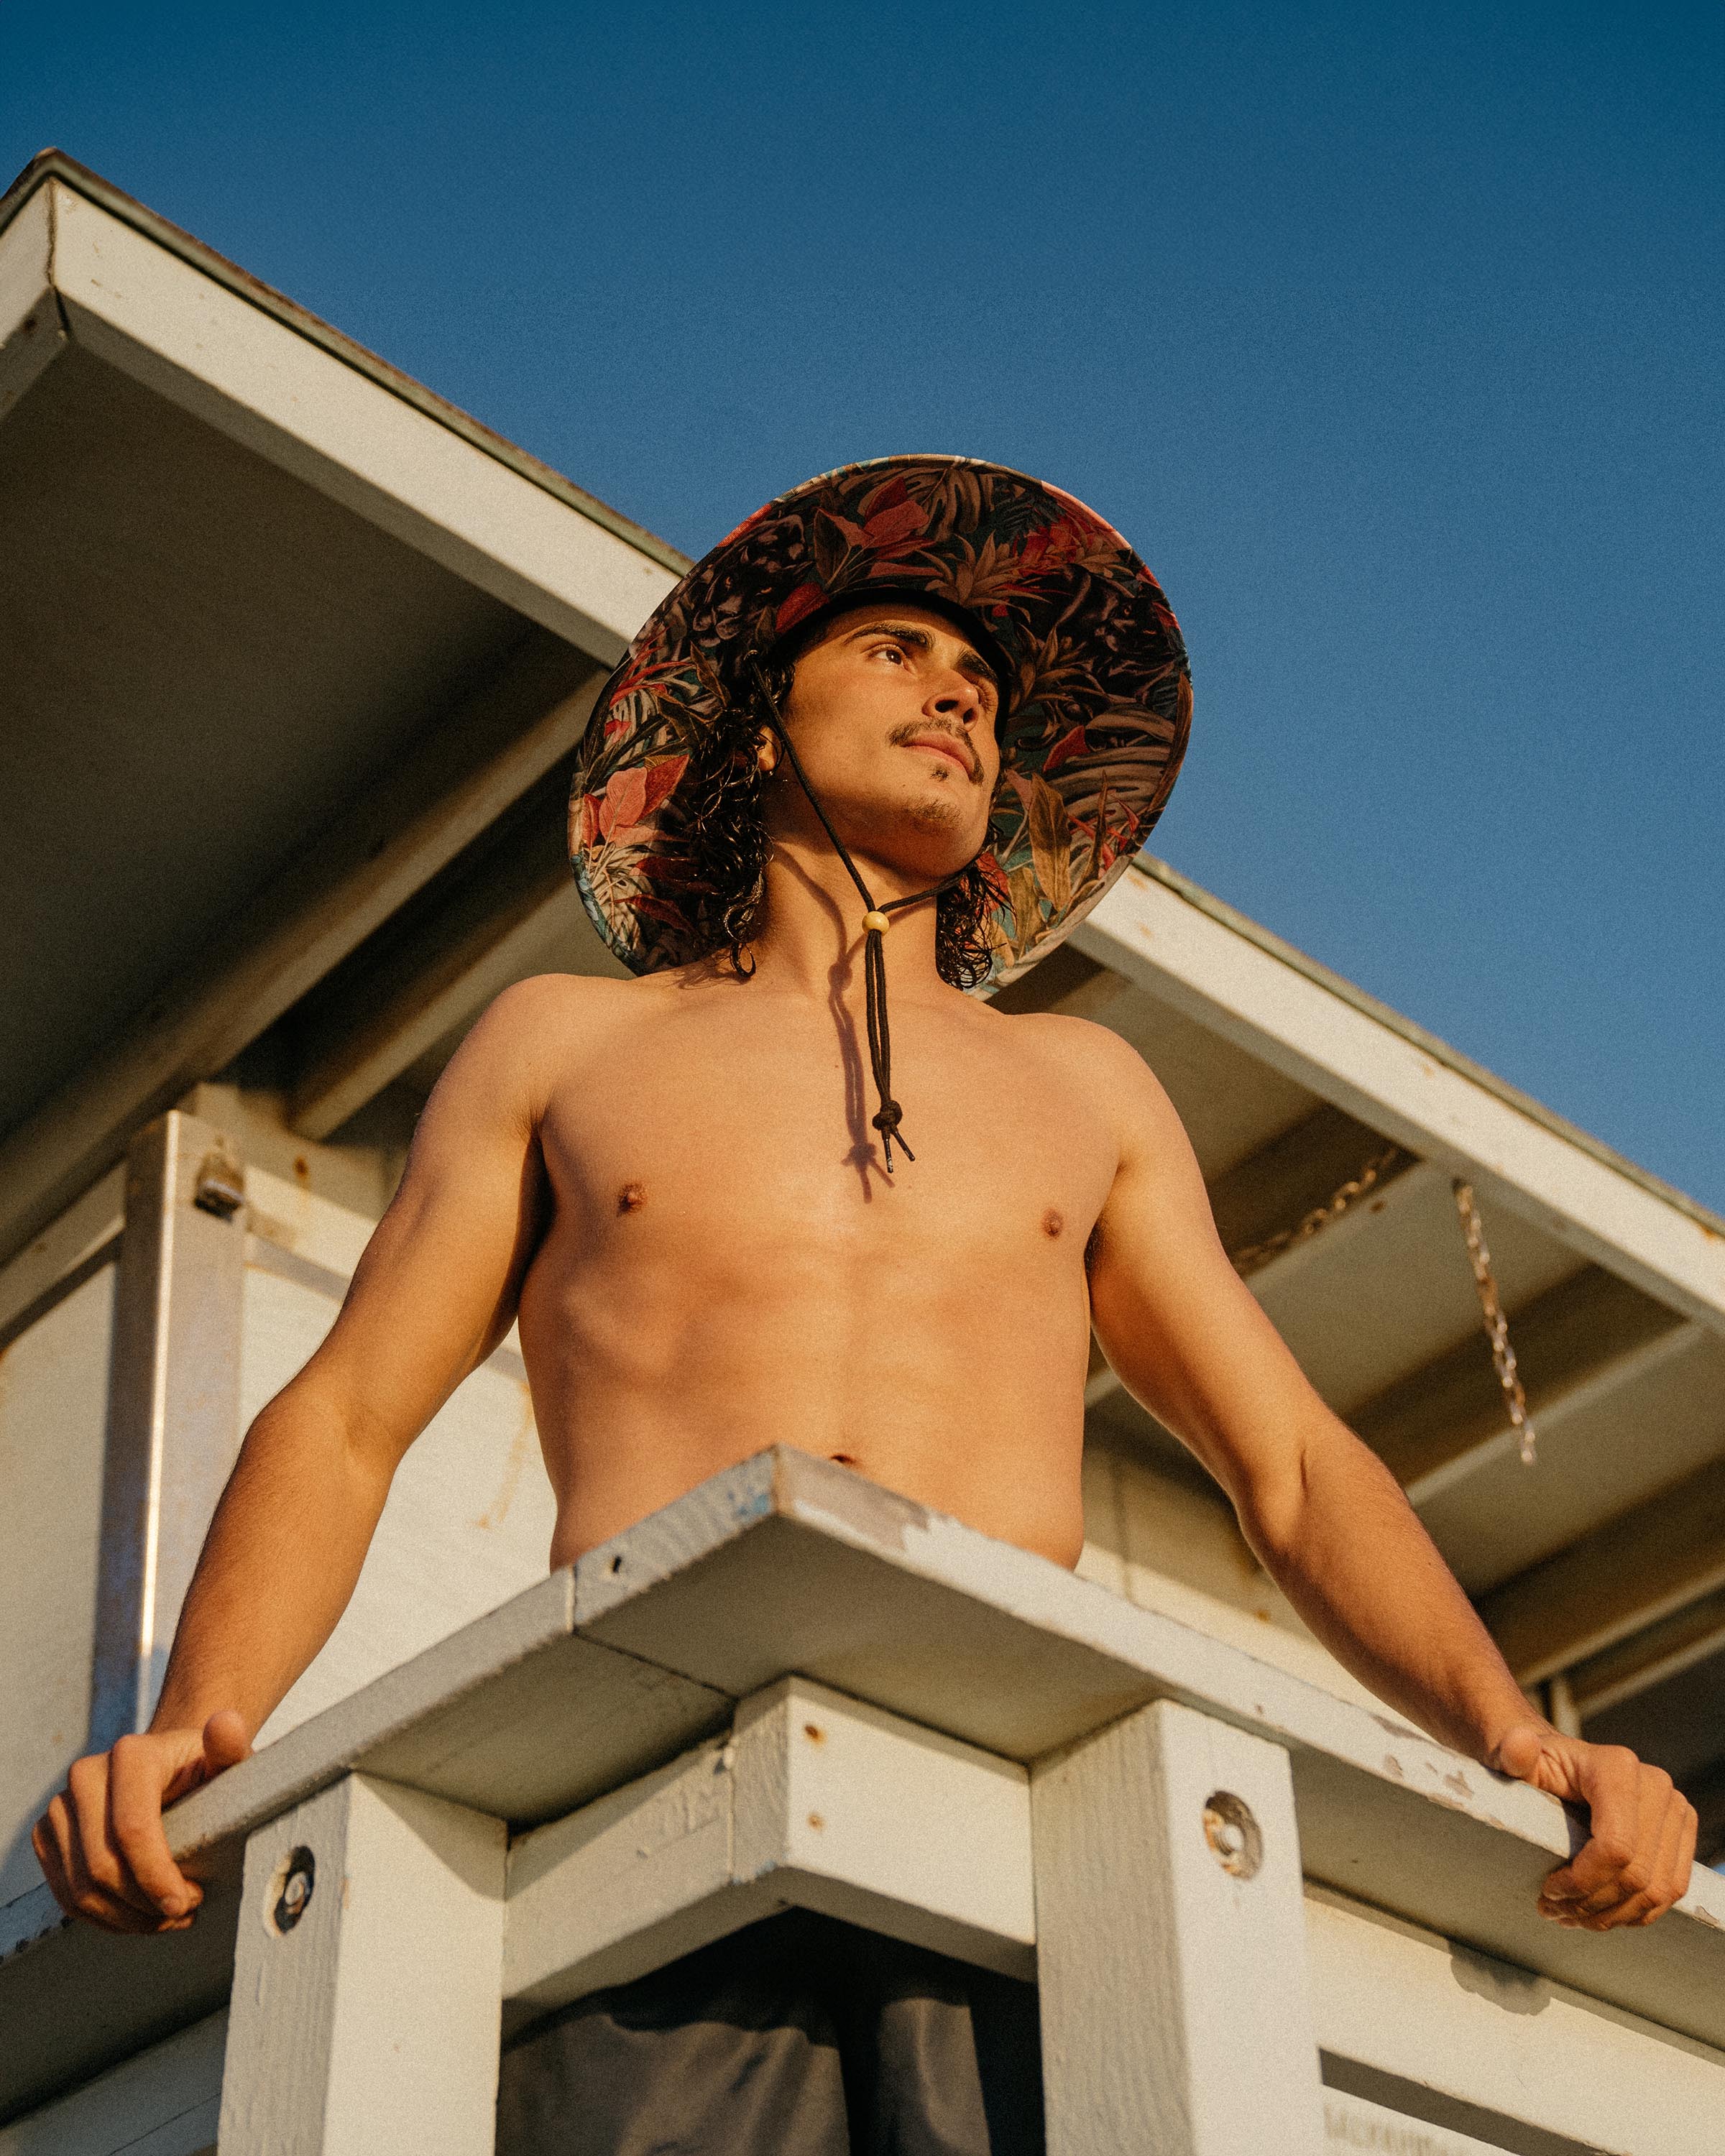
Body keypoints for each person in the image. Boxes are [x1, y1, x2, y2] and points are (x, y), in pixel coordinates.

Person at [35, 458, 1696, 2152]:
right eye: (900, 651)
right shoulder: (564, 1045)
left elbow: (1289, 1465)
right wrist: (190, 1726)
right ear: (756, 731)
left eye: (980, 683)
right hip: (646, 1828)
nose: (963, 691)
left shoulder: (1090, 1088)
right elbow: (350, 1412)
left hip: (1021, 1835)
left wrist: (1512, 1737)